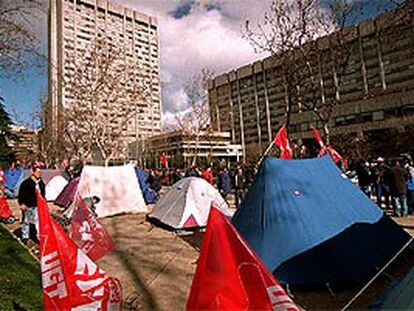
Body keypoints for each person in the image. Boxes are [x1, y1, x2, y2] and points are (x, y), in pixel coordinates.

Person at [18, 165, 45, 244]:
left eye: (40, 172)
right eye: (38, 172)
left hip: (37, 206)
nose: (39, 174)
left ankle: (39, 238)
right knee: (26, 221)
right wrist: (22, 203)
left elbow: (43, 194)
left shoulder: (41, 183)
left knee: (38, 222)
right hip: (27, 205)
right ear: (33, 172)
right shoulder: (26, 183)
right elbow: (21, 194)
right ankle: (25, 237)